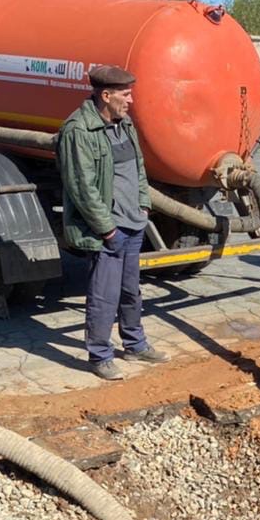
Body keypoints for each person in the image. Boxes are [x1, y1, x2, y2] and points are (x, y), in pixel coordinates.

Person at [57, 65, 168, 381]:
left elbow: (138, 168)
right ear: (105, 95)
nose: (131, 100)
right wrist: (107, 228)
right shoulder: (79, 130)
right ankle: (100, 355)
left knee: (131, 290)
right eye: (125, 94)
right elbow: (82, 186)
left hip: (133, 222)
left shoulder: (124, 124)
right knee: (104, 295)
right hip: (109, 230)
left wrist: (144, 204)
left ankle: (135, 344)